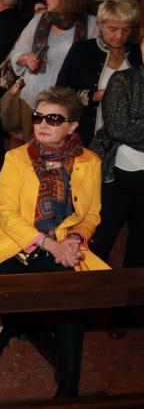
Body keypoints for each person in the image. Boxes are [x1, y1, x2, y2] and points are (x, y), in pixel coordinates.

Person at [0, 87, 107, 398]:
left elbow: (91, 214)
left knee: (71, 299)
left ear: (72, 126)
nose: (42, 124)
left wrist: (77, 239)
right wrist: (50, 245)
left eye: (54, 119)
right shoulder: (16, 157)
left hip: (65, 244)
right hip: (16, 242)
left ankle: (68, 384)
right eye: (39, 117)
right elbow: (7, 213)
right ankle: (6, 331)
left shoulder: (90, 162)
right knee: (6, 285)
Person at [5, 0, 98, 140]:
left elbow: (93, 64)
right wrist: (27, 58)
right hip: (34, 99)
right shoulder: (39, 20)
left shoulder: (91, 24)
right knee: (33, 154)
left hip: (68, 105)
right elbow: (17, 52)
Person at [89, 36, 144, 272]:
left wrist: (136, 123)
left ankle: (131, 307)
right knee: (98, 244)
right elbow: (118, 128)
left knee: (140, 254)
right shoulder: (124, 79)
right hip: (117, 175)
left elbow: (129, 128)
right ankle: (80, 304)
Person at [57, 0, 141, 147]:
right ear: (100, 25)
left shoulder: (137, 53)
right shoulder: (81, 51)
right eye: (112, 29)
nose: (119, 36)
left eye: (126, 30)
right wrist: (93, 96)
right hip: (86, 134)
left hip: (129, 141)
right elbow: (60, 93)